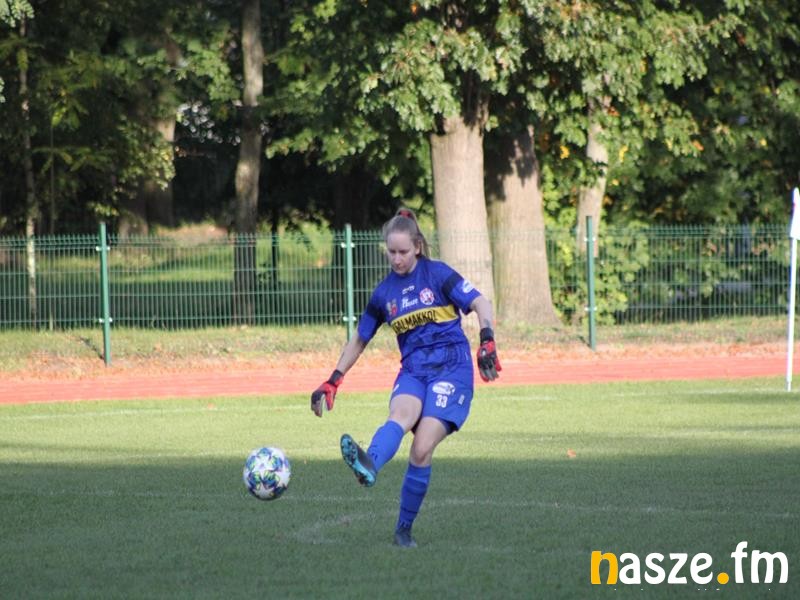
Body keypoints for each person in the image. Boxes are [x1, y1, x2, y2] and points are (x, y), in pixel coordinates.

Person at [310, 208, 501, 548]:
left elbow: (480, 302)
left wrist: (487, 338)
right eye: (391, 252)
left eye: (403, 252)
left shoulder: (438, 274)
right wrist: (334, 378)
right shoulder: (384, 293)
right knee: (400, 415)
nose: (396, 259)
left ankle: (403, 530)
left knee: (421, 448)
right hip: (413, 370)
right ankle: (369, 463)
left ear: (417, 247)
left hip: (451, 368)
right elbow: (359, 339)